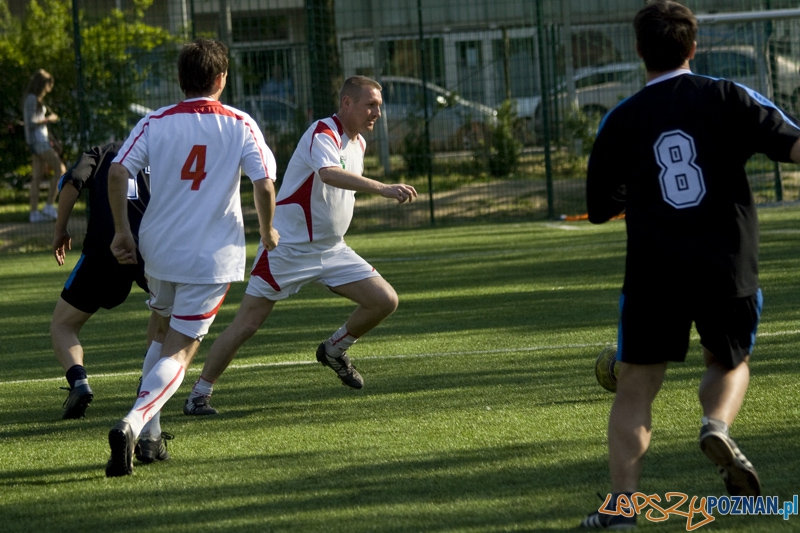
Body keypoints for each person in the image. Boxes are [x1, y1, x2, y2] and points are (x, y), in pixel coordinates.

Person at [581, 1, 800, 529]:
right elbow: (793, 145)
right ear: (693, 47)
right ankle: (716, 425)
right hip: (727, 261)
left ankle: (622, 511)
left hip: (655, 269)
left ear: (639, 52)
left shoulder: (623, 117)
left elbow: (600, 208)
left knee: (635, 383)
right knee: (727, 363)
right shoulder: (726, 95)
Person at [182, 75, 417, 416]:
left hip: (331, 249)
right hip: (287, 250)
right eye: (370, 105)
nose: (376, 113)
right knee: (246, 324)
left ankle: (334, 350)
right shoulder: (322, 132)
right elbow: (329, 174)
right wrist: (382, 188)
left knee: (384, 300)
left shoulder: (359, 144)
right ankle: (198, 395)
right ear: (347, 103)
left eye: (379, 106)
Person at [104, 37, 280, 477]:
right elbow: (263, 183)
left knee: (161, 333)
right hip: (209, 255)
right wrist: (267, 229)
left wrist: (122, 231)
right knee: (181, 352)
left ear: (181, 80)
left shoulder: (155, 122)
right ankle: (133, 422)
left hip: (158, 249)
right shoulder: (240, 123)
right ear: (221, 79)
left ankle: (150, 440)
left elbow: (118, 170)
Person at [51, 141, 153, 420]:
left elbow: (71, 183)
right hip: (152, 248)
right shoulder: (160, 151)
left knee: (62, 325)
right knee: (164, 312)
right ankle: (151, 379)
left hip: (105, 248)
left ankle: (79, 382)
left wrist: (61, 229)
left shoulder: (100, 152)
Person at [23, 69, 66, 223]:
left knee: (36, 178)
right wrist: (49, 119)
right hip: (38, 143)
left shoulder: (35, 99)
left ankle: (34, 213)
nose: (49, 88)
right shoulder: (31, 99)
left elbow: (41, 126)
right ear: (42, 84)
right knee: (61, 170)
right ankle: (49, 206)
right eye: (48, 84)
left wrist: (53, 140)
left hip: (40, 141)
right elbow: (30, 123)